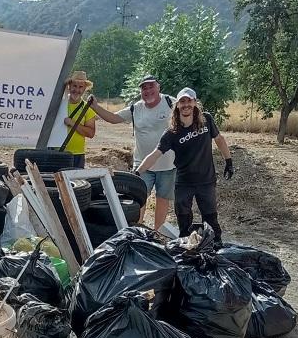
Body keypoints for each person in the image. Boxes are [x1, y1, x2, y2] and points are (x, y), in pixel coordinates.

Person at [136, 87, 234, 244]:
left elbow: (219, 139)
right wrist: (137, 172)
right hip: (183, 184)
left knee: (211, 220)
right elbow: (155, 155)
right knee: (183, 224)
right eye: (182, 101)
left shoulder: (206, 120)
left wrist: (229, 161)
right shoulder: (172, 133)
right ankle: (185, 255)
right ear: (177, 105)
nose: (186, 104)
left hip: (206, 182)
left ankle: (216, 251)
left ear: (195, 103)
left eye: (189, 101)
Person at [91, 74, 176, 229]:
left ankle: (158, 233)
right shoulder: (135, 108)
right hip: (143, 165)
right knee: (139, 199)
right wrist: (95, 106)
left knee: (163, 199)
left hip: (168, 164)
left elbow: (188, 114)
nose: (148, 90)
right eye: (144, 87)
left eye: (151, 86)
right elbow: (113, 118)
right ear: (141, 91)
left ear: (158, 87)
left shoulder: (171, 103)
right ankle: (137, 231)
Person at [62, 70, 96, 168]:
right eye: (74, 86)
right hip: (56, 152)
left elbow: (90, 133)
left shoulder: (87, 109)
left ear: (85, 89)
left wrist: (72, 123)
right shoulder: (59, 104)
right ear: (69, 86)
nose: (77, 90)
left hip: (77, 155)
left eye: (80, 87)